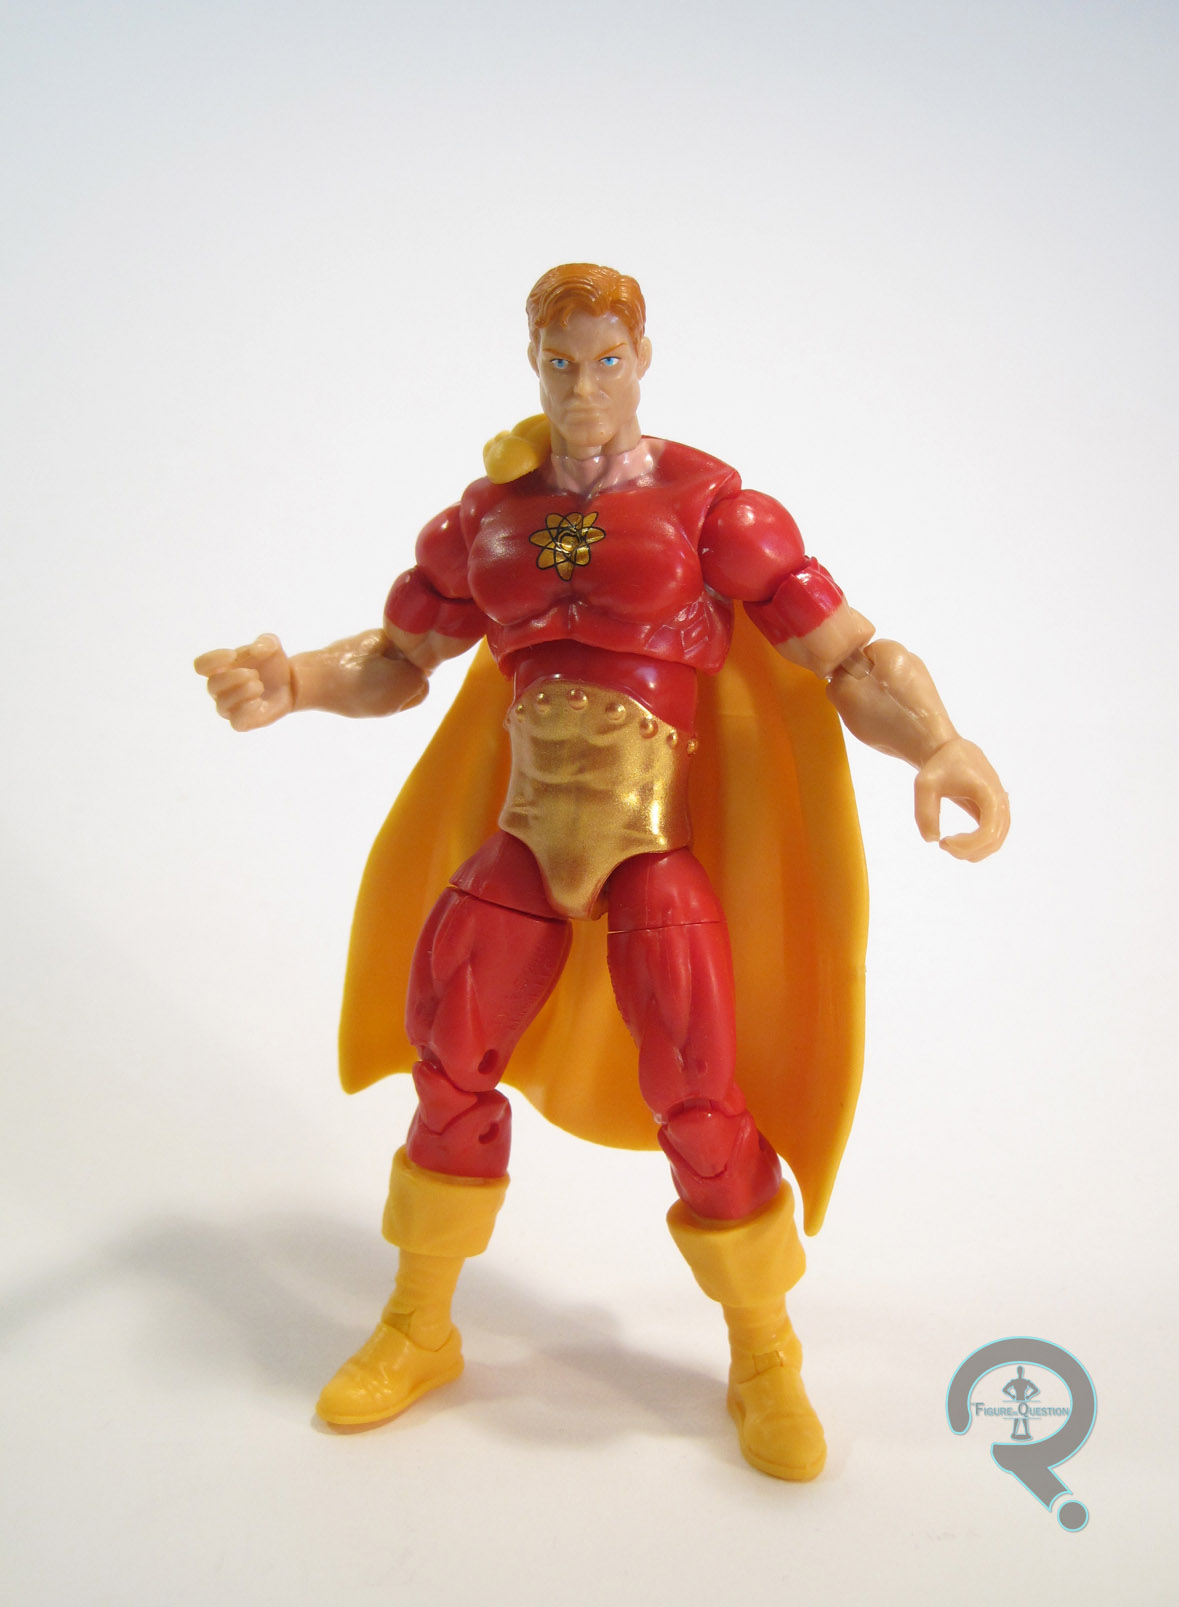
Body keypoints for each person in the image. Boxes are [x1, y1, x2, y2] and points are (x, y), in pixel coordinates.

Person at [196, 263, 1008, 1481]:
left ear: (642, 358)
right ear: (534, 363)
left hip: (651, 849)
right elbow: (400, 655)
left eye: (606, 359)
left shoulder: (714, 511)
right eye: (561, 361)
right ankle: (418, 1323)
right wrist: (298, 680)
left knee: (703, 1097)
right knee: (448, 1063)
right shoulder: (486, 519)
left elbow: (846, 655)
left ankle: (764, 1351)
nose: (583, 384)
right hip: (524, 844)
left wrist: (940, 740)